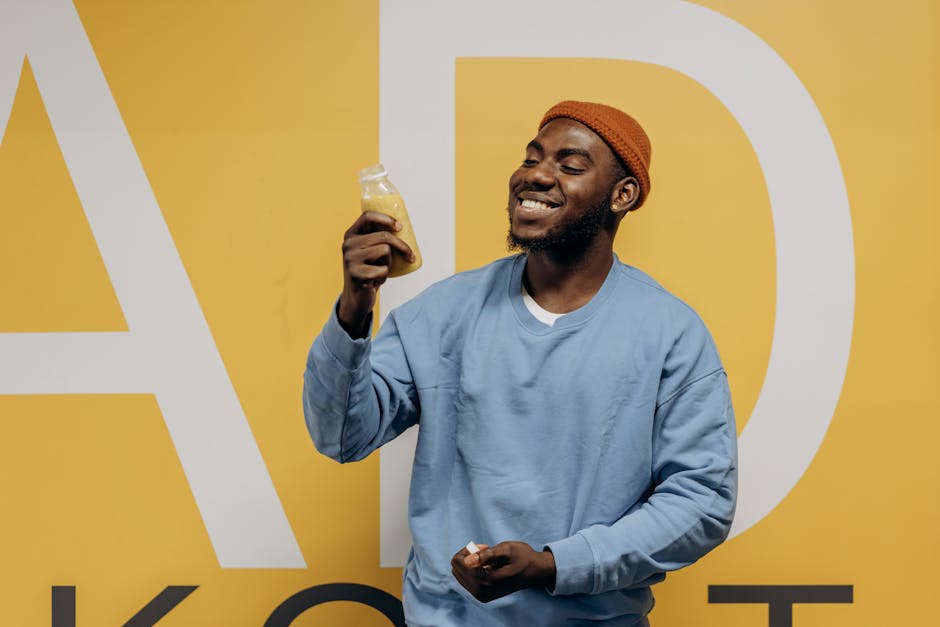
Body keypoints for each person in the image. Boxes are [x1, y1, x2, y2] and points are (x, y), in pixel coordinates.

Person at [303, 100, 738, 626]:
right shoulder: (444, 313)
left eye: (569, 166)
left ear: (622, 196)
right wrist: (355, 307)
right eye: (532, 158)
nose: (536, 176)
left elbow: (701, 501)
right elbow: (341, 435)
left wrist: (556, 565)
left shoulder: (670, 332)